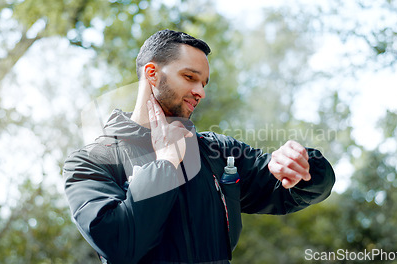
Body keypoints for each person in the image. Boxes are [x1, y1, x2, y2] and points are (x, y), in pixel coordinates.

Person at [63, 29, 335, 264]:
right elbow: (120, 245)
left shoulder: (219, 152)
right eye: (190, 77)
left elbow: (290, 190)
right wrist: (166, 164)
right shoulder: (91, 162)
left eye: (203, 83)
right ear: (152, 73)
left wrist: (304, 166)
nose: (201, 92)